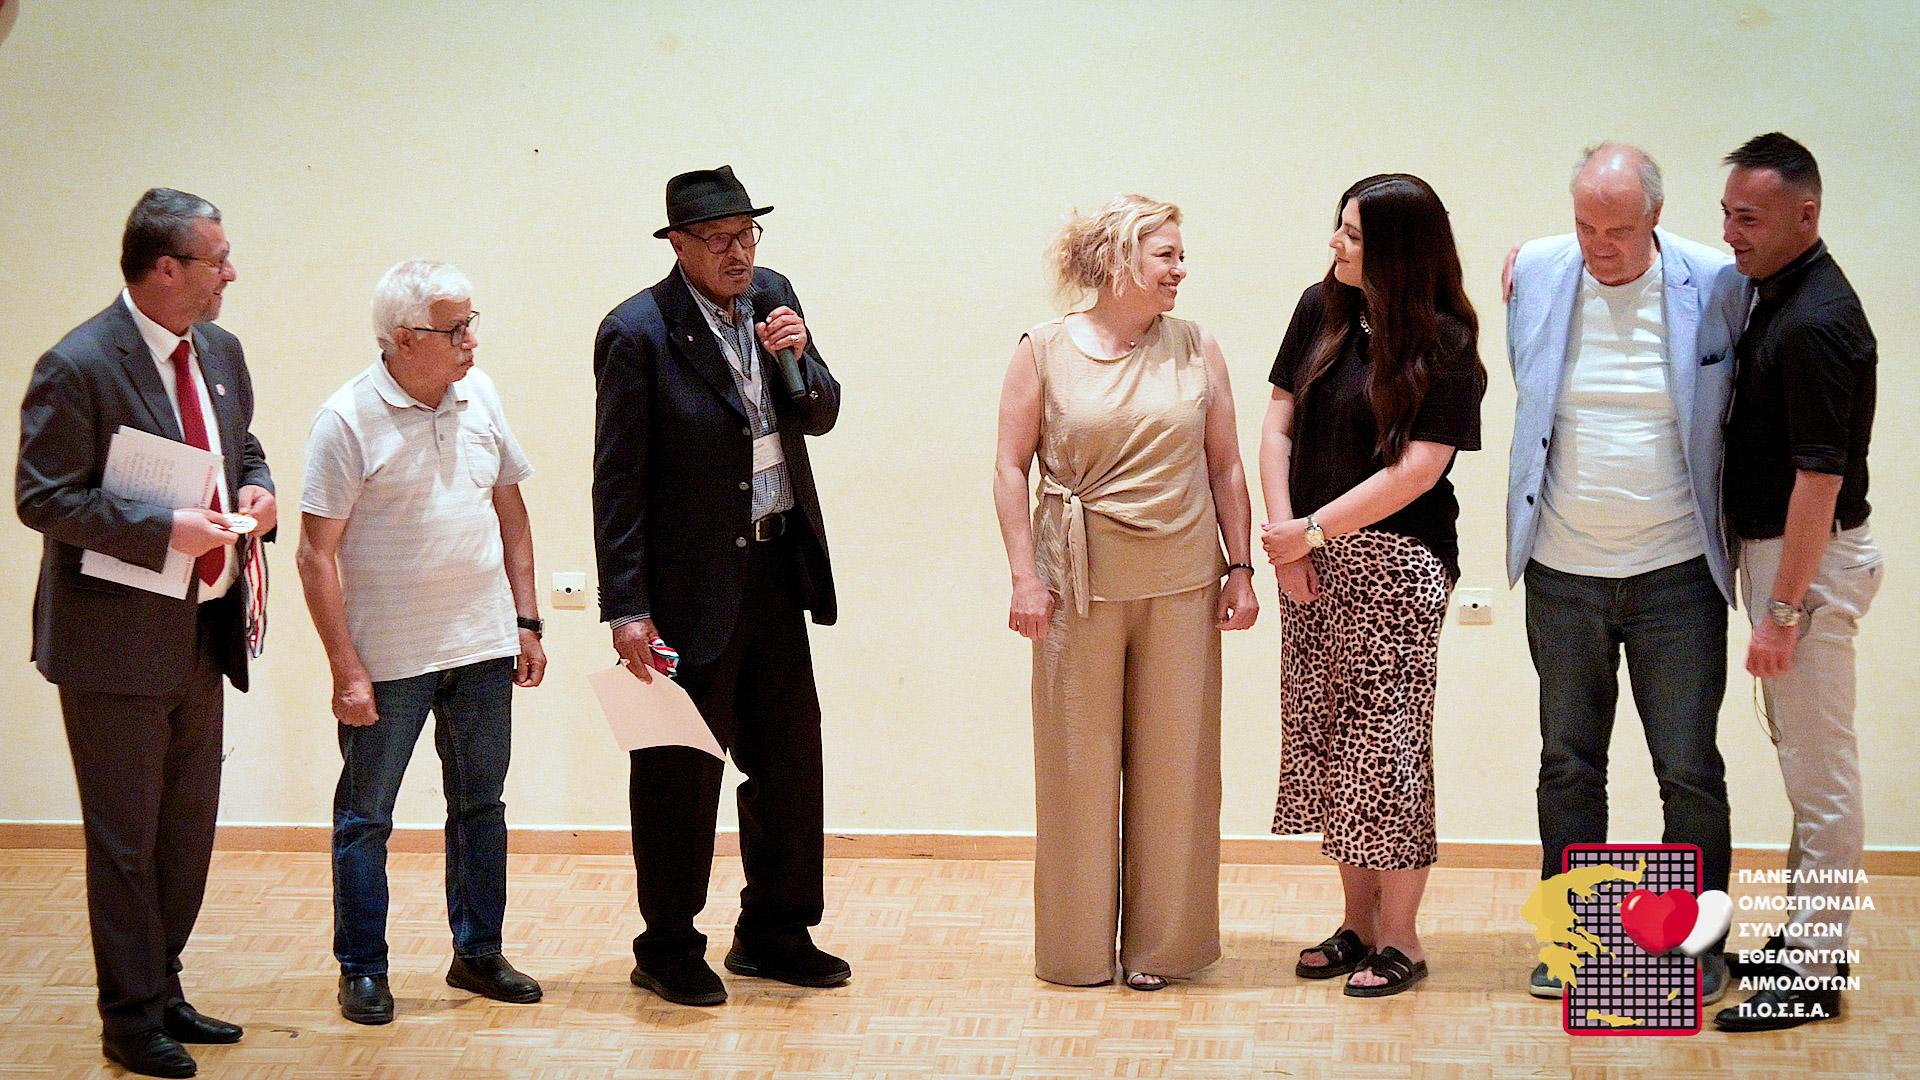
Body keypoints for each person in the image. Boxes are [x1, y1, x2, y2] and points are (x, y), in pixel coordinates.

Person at [16, 188, 274, 1078]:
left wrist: (257, 489)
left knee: (185, 831)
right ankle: (128, 1019)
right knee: (125, 841)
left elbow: (241, 446)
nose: (231, 274)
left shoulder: (221, 351)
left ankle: (163, 988)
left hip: (202, 629)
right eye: (218, 259)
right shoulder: (79, 364)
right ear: (166, 268)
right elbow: (43, 498)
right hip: (113, 645)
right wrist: (165, 528)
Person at [592, 165, 847, 1007]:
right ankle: (667, 946)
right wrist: (627, 608)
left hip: (775, 571)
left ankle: (775, 930)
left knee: (789, 762)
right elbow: (616, 483)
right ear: (678, 245)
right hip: (685, 591)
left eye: (747, 235)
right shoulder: (637, 332)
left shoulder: (774, 296)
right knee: (679, 773)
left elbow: (819, 414)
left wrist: (800, 358)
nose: (740, 254)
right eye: (718, 240)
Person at [993, 194, 1259, 991]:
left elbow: (1226, 465)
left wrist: (1241, 568)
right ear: (1117, 261)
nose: (1181, 270)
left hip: (1183, 583)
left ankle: (1162, 950)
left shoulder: (1196, 345)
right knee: (1076, 769)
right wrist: (1024, 576)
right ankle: (1076, 952)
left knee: (1177, 772)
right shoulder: (1041, 349)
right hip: (1074, 588)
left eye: (1181, 256)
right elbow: (1010, 468)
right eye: (1166, 255)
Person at [1504, 144, 1749, 1003]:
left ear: (1656, 217)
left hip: (1675, 572)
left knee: (1688, 768)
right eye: (1585, 225)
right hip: (1561, 569)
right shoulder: (1536, 269)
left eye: (1617, 229)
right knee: (1569, 763)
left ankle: (1696, 944)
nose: (1598, 246)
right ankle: (1574, 940)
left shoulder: (1715, 281)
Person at [296, 260, 547, 1026]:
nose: (472, 340)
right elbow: (314, 555)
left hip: (481, 646)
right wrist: (344, 667)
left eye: (472, 323)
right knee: (366, 817)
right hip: (388, 661)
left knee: (480, 806)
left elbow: (512, 513)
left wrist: (527, 621)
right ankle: (363, 970)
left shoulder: (482, 394)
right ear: (404, 338)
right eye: (455, 328)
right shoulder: (346, 420)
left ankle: (479, 952)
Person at [1259, 174, 1485, 999]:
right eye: (1339, 227)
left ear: (1397, 248)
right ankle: (1357, 924)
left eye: (1352, 234)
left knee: (1385, 751)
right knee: (1329, 741)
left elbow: (1418, 470)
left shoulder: (1446, 341)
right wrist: (1286, 541)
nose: (1335, 244)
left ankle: (1401, 938)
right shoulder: (1320, 310)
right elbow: (1277, 425)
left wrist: (1312, 532)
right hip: (1309, 557)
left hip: (1398, 562)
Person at [1713, 133, 1881, 1034]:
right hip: (1788, 563)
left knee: (1822, 778)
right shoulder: (1782, 290)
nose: (1730, 234)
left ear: (1805, 216)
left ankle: (1815, 971)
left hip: (1805, 566)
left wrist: (1783, 611)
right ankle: (1805, 942)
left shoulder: (1816, 320)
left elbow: (1819, 478)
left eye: (1748, 218)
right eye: (1726, 214)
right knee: (1805, 766)